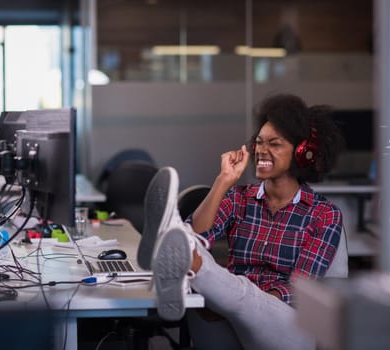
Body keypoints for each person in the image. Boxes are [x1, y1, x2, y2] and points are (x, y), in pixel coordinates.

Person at [137, 93, 345, 350]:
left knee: (231, 288)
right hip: (227, 311)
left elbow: (299, 290)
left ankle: (190, 264)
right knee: (190, 240)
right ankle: (185, 254)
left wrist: (232, 304)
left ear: (302, 153)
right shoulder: (240, 198)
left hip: (286, 324)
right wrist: (223, 181)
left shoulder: (324, 214)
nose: (260, 150)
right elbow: (200, 234)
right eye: (258, 142)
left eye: (274, 144)